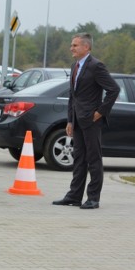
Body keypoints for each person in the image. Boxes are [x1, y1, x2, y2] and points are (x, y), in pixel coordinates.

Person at [52, 33, 120, 210]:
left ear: (86, 47)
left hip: (91, 120)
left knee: (93, 159)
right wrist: (69, 120)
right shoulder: (75, 65)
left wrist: (100, 112)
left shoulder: (96, 66)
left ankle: (93, 198)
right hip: (77, 120)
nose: (71, 48)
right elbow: (72, 96)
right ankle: (74, 195)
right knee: (79, 158)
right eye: (71, 45)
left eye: (75, 45)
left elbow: (114, 89)